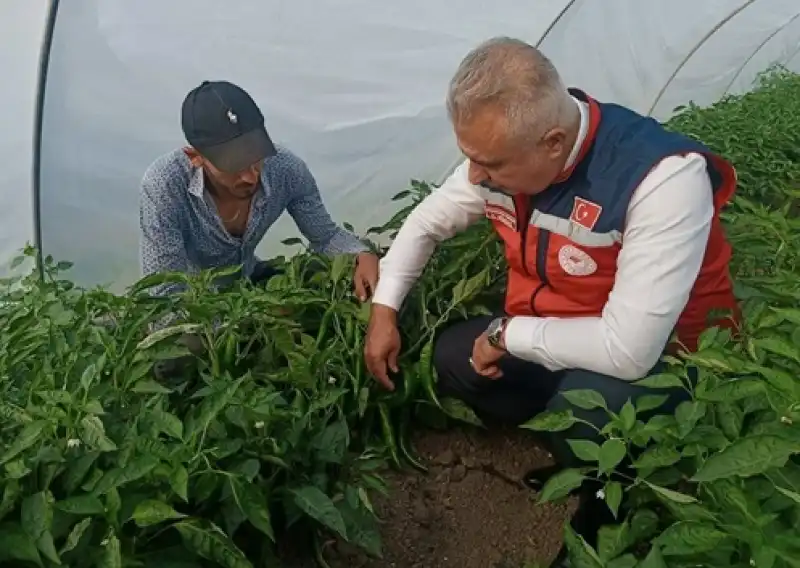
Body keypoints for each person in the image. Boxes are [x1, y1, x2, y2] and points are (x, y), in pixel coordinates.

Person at [363, 37, 739, 565]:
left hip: (671, 358)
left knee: (586, 409)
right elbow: (427, 221)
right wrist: (384, 309)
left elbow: (628, 349)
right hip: (558, 329)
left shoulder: (660, 179)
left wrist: (505, 335)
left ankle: (609, 505)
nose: (474, 176)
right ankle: (575, 455)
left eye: (488, 164)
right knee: (454, 359)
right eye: (469, 157)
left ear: (553, 142)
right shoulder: (505, 155)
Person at [139, 79, 379, 299]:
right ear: (195, 157)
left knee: (316, 281)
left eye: (256, 156)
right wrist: (243, 326)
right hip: (196, 301)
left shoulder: (285, 169)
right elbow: (163, 291)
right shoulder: (165, 185)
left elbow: (326, 237)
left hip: (249, 278)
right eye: (233, 165)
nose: (250, 176)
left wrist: (360, 255)